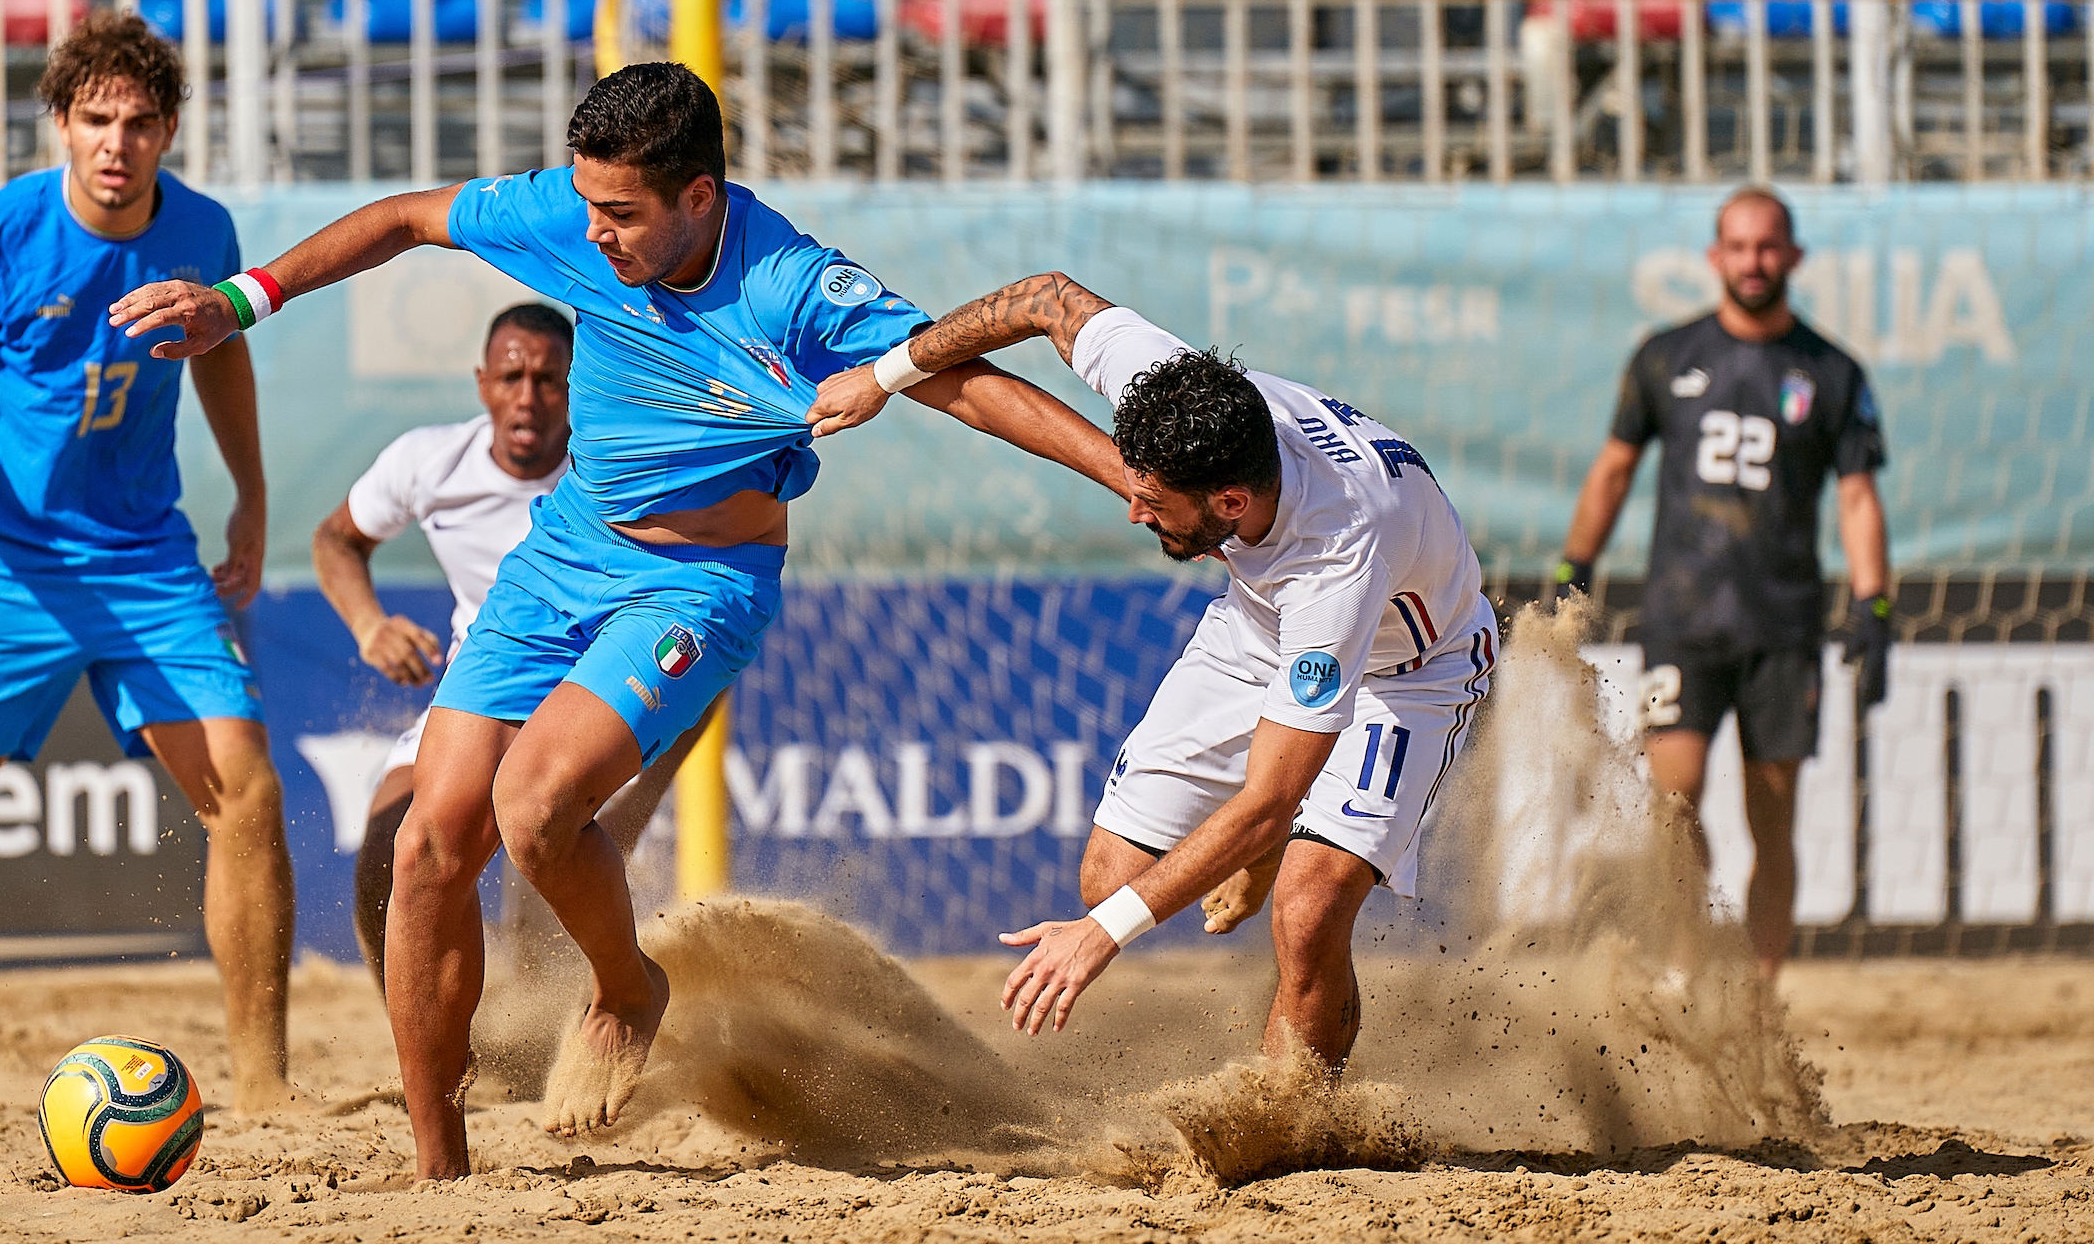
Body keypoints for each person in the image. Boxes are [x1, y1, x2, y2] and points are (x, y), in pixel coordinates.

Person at [106, 62, 1123, 1177]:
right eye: (588, 205)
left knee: (534, 806)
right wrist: (241, 298)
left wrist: (1127, 475)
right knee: (429, 845)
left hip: (699, 581)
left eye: (622, 215)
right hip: (565, 553)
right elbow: (405, 218)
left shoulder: (793, 285)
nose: (592, 234)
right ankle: (439, 1169)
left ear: (700, 198)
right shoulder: (575, 213)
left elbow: (966, 380)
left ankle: (629, 982)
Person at [808, 274, 1498, 1070]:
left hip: (1411, 668)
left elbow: (1268, 801)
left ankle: (1296, 1125)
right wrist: (886, 375)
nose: (1136, 513)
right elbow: (1045, 298)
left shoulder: (1334, 556)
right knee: (1111, 879)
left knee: (1307, 910)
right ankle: (1262, 847)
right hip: (1259, 622)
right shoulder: (1186, 396)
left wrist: (1099, 940)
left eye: (1152, 501)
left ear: (1231, 500)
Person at [0, 11, 298, 1113]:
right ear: (59, 122)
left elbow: (218, 355)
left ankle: (268, 1087)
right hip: (8, 572)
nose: (117, 142)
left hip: (149, 563)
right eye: (95, 119)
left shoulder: (203, 227)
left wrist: (251, 493)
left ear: (171, 128)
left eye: (140, 122)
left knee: (247, 794)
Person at [311, 300, 705, 993]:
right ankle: (443, 1044)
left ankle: (602, 1008)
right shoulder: (430, 461)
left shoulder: (619, 473)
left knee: (545, 872)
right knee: (390, 854)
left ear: (578, 386)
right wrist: (370, 624)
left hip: (600, 697)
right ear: (482, 381)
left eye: (550, 380)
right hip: (485, 687)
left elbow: (705, 606)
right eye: (511, 376)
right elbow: (337, 539)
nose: (528, 397)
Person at [1553, 185, 1889, 983]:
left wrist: (1874, 604)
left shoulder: (1833, 372)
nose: (1753, 261)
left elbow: (1857, 497)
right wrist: (1575, 569)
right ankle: (1687, 963)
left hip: (1785, 626)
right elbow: (1613, 471)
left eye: (1768, 246)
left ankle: (1758, 1006)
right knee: (1674, 805)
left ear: (1794, 256)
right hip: (1682, 616)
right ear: (1714, 257)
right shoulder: (1665, 357)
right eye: (1737, 247)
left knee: (1773, 820)